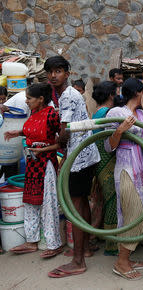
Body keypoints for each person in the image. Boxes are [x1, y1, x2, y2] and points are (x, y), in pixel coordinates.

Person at [45, 55, 100, 278]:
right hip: (86, 156)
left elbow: (65, 132)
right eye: (50, 71)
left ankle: (78, 261)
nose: (53, 75)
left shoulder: (67, 96)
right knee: (82, 203)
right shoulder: (65, 95)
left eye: (58, 71)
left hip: (79, 159)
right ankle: (85, 249)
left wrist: (54, 147)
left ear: (67, 74)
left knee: (76, 207)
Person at [104, 78, 143, 280]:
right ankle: (121, 262)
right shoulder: (117, 113)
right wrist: (120, 131)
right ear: (137, 92)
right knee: (134, 214)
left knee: (139, 214)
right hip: (127, 169)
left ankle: (126, 258)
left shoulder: (140, 113)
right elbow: (108, 146)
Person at [5, 83, 63, 258]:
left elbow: (61, 142)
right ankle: (31, 241)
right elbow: (36, 132)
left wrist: (42, 150)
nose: (26, 101)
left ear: (40, 99)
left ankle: (54, 244)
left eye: (29, 98)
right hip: (32, 164)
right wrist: (20, 133)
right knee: (31, 202)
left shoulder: (53, 115)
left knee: (48, 204)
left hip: (46, 164)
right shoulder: (33, 113)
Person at [91, 81, 118, 256]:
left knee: (102, 200)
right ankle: (111, 245)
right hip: (106, 161)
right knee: (112, 201)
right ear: (110, 95)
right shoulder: (108, 113)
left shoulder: (97, 112)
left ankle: (97, 236)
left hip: (98, 161)